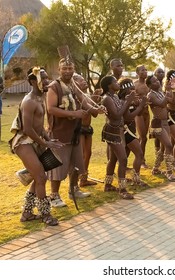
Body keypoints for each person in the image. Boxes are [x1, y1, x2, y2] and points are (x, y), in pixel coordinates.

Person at [46, 56, 105, 208]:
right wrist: (73, 114)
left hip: (74, 132)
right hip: (60, 133)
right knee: (58, 166)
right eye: (64, 68)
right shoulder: (54, 87)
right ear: (58, 70)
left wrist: (94, 109)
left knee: (77, 164)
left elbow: (83, 100)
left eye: (70, 68)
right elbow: (51, 108)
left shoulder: (73, 85)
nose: (67, 71)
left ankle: (74, 190)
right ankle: (54, 196)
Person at [10, 67, 63, 225]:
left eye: (48, 78)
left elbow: (39, 126)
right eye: (44, 78)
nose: (47, 81)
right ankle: (46, 214)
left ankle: (26, 213)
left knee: (37, 177)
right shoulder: (29, 101)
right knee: (41, 176)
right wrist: (44, 143)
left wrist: (48, 139)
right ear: (33, 82)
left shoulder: (41, 97)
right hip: (24, 143)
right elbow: (27, 129)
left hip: (36, 140)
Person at [101, 75, 135, 198]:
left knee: (113, 159)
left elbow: (123, 112)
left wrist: (127, 101)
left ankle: (108, 185)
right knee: (123, 159)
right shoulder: (106, 99)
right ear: (109, 85)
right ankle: (122, 189)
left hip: (118, 131)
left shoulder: (114, 96)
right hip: (112, 132)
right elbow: (116, 115)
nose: (117, 83)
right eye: (115, 81)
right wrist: (128, 101)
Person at [146, 75, 175, 182]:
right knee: (169, 145)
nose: (157, 82)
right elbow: (163, 103)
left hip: (165, 123)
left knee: (164, 148)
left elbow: (171, 101)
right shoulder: (150, 95)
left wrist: (172, 89)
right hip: (157, 124)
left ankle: (155, 168)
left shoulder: (159, 93)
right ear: (149, 85)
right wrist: (167, 91)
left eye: (157, 80)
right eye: (154, 81)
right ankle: (169, 172)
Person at [118, 78, 148, 186]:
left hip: (130, 130)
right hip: (126, 131)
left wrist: (138, 104)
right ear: (125, 91)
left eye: (134, 89)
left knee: (124, 158)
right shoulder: (123, 101)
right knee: (139, 154)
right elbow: (128, 117)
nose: (133, 91)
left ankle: (123, 179)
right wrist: (140, 105)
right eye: (131, 89)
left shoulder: (128, 101)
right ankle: (136, 179)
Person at [72, 73, 99, 187]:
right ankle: (76, 181)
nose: (84, 82)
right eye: (81, 80)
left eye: (84, 80)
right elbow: (82, 113)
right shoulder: (76, 97)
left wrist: (94, 101)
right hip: (80, 129)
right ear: (75, 84)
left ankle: (84, 179)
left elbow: (95, 115)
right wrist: (91, 102)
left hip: (88, 128)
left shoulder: (87, 95)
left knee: (88, 153)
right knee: (81, 154)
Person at [134, 65, 150, 168]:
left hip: (146, 113)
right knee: (142, 137)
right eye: (142, 70)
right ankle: (140, 160)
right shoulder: (135, 85)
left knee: (144, 138)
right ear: (138, 73)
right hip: (138, 113)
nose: (145, 72)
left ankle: (141, 158)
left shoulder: (149, 84)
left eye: (146, 70)